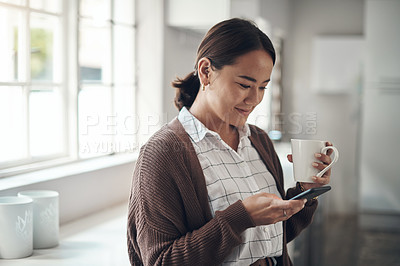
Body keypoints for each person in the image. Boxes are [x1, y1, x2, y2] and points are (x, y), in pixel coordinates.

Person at [127, 18, 334, 266]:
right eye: (244, 85)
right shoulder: (163, 153)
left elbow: (272, 238)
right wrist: (240, 217)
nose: (254, 99)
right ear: (206, 72)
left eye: (263, 87)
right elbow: (162, 261)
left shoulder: (259, 140)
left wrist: (304, 191)